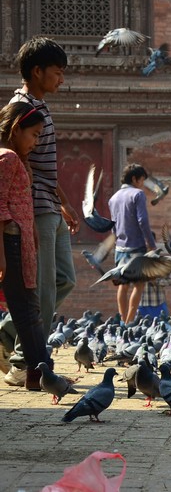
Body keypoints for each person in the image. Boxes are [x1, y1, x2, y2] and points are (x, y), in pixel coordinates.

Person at [5, 37, 78, 387]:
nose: (61, 79)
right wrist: (28, 216)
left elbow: (45, 167)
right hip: (33, 208)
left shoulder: (40, 106)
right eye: (57, 72)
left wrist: (64, 201)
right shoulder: (22, 107)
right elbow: (20, 161)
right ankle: (25, 363)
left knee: (64, 279)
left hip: (49, 203)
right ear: (37, 71)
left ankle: (7, 333)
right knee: (43, 288)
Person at [0, 101, 54, 390]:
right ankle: (41, 374)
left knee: (28, 310)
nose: (35, 142)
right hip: (11, 244)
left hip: (20, 244)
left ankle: (41, 374)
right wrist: (2, 257)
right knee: (26, 311)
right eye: (33, 134)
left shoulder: (15, 158)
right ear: (15, 128)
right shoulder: (7, 158)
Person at [108, 163, 157, 325]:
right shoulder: (138, 194)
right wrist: (151, 244)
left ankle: (123, 321)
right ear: (135, 179)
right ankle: (129, 322)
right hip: (136, 246)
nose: (142, 184)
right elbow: (142, 221)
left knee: (123, 285)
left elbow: (113, 226)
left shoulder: (113, 198)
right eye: (141, 180)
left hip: (120, 247)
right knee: (139, 285)